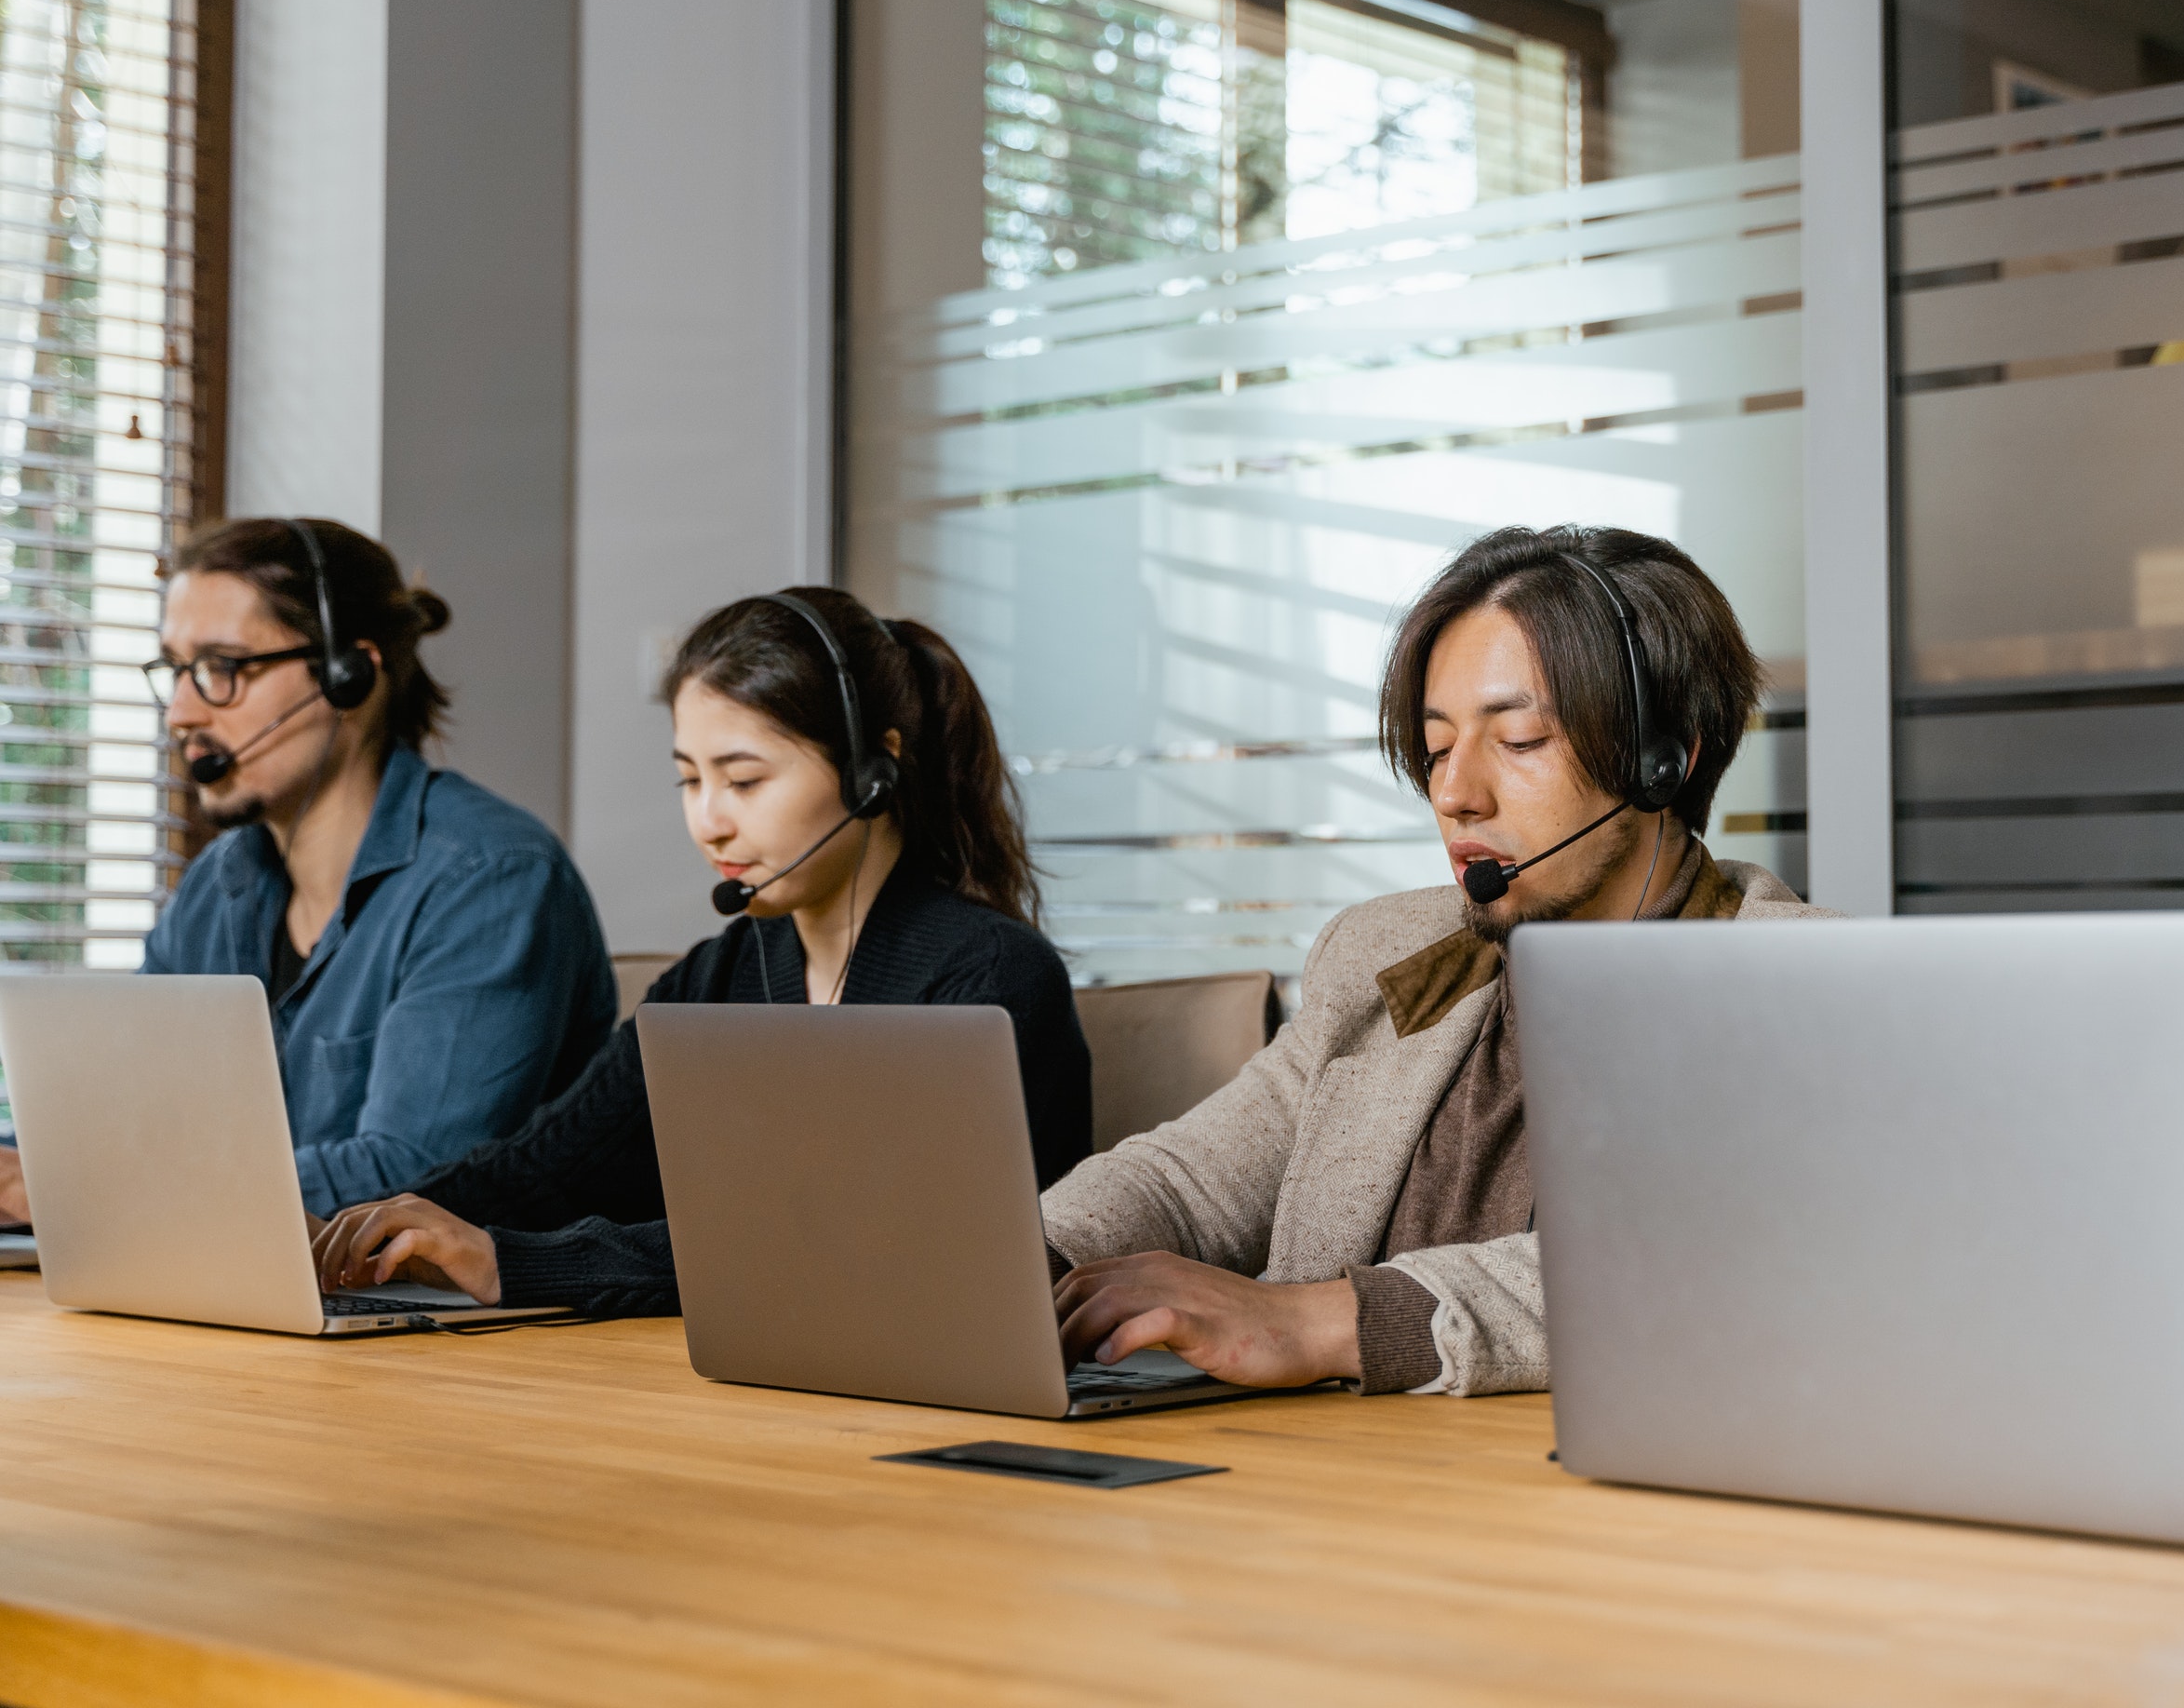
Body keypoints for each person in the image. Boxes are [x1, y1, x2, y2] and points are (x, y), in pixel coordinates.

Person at [1045, 525, 1833, 1399]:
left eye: (1521, 740)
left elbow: (1705, 1257)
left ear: (1661, 763)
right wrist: (1018, 1261)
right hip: (1330, 1488)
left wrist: (1317, 1322)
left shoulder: (1803, 987)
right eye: (1437, 746)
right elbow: (1190, 1181)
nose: (1456, 795)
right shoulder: (1390, 957)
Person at [309, 587, 1092, 1319]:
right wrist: (349, 1231)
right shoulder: (718, 976)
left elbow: (850, 1244)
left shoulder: (989, 978)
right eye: (690, 780)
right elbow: (539, 1168)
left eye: (744, 781)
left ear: (873, 774)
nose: (709, 822)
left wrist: (513, 1264)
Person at [0, 518, 614, 1224]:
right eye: (175, 670)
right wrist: (28, 1165)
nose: (180, 713)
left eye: (223, 669)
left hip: (439, 1325)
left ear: (349, 675)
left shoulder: (491, 880)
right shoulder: (220, 884)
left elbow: (414, 1175)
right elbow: (126, 1108)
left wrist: (75, 1185)